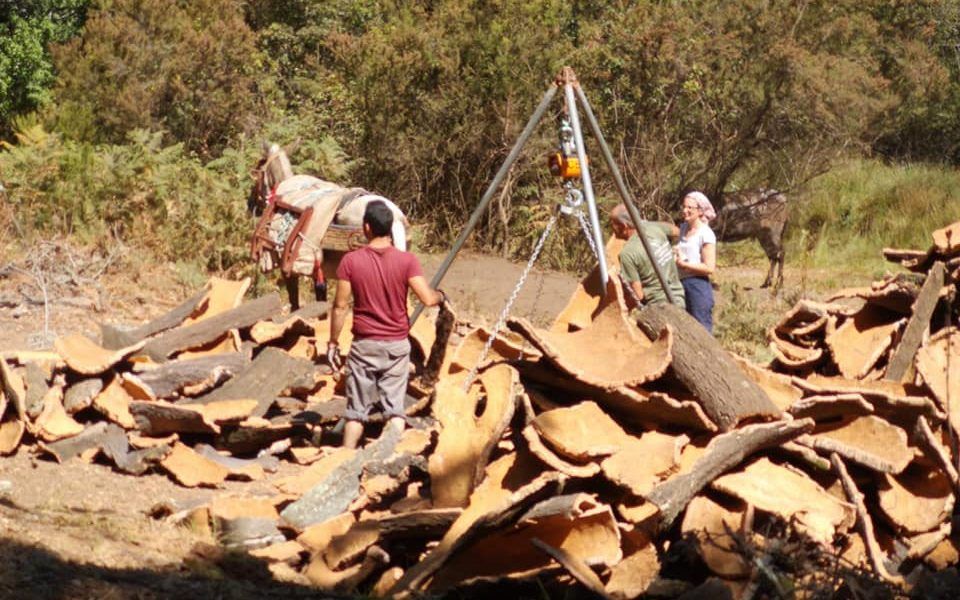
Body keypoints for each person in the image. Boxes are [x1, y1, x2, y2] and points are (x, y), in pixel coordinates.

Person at [327, 200, 445, 449]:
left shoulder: (350, 262)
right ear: (390, 228)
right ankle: (389, 457)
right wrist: (441, 296)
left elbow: (340, 306)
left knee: (355, 413)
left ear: (366, 227)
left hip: (364, 347)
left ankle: (343, 460)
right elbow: (426, 298)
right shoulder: (407, 261)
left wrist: (333, 342)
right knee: (395, 411)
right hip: (397, 347)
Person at [609, 204, 685, 309]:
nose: (612, 228)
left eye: (613, 224)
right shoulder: (655, 228)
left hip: (658, 307)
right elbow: (677, 231)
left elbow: (638, 295)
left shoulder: (627, 254)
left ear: (624, 226)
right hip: (679, 297)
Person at [676, 191, 717, 333]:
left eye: (690, 208)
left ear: (700, 211)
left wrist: (685, 265)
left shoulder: (705, 233)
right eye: (684, 207)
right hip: (680, 284)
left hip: (698, 286)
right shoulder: (683, 229)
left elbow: (709, 267)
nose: (685, 211)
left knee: (702, 330)